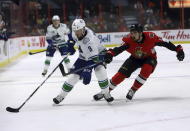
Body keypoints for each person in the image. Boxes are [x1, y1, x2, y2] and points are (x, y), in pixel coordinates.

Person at [93, 24, 185, 101]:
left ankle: (133, 90)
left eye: (135, 33)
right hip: (135, 58)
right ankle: (105, 91)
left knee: (146, 70)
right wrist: (110, 54)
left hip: (149, 58)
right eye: (131, 33)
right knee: (121, 74)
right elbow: (118, 49)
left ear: (141, 33)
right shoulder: (128, 40)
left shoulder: (151, 37)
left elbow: (166, 43)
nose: (132, 35)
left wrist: (178, 49)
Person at [53, 18, 114, 104]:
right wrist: (70, 45)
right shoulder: (76, 33)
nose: (76, 33)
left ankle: (106, 93)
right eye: (75, 31)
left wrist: (87, 71)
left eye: (79, 30)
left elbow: (94, 59)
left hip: (98, 55)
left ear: (84, 29)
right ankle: (61, 96)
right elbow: (72, 38)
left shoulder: (89, 40)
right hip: (83, 56)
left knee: (100, 71)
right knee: (73, 77)